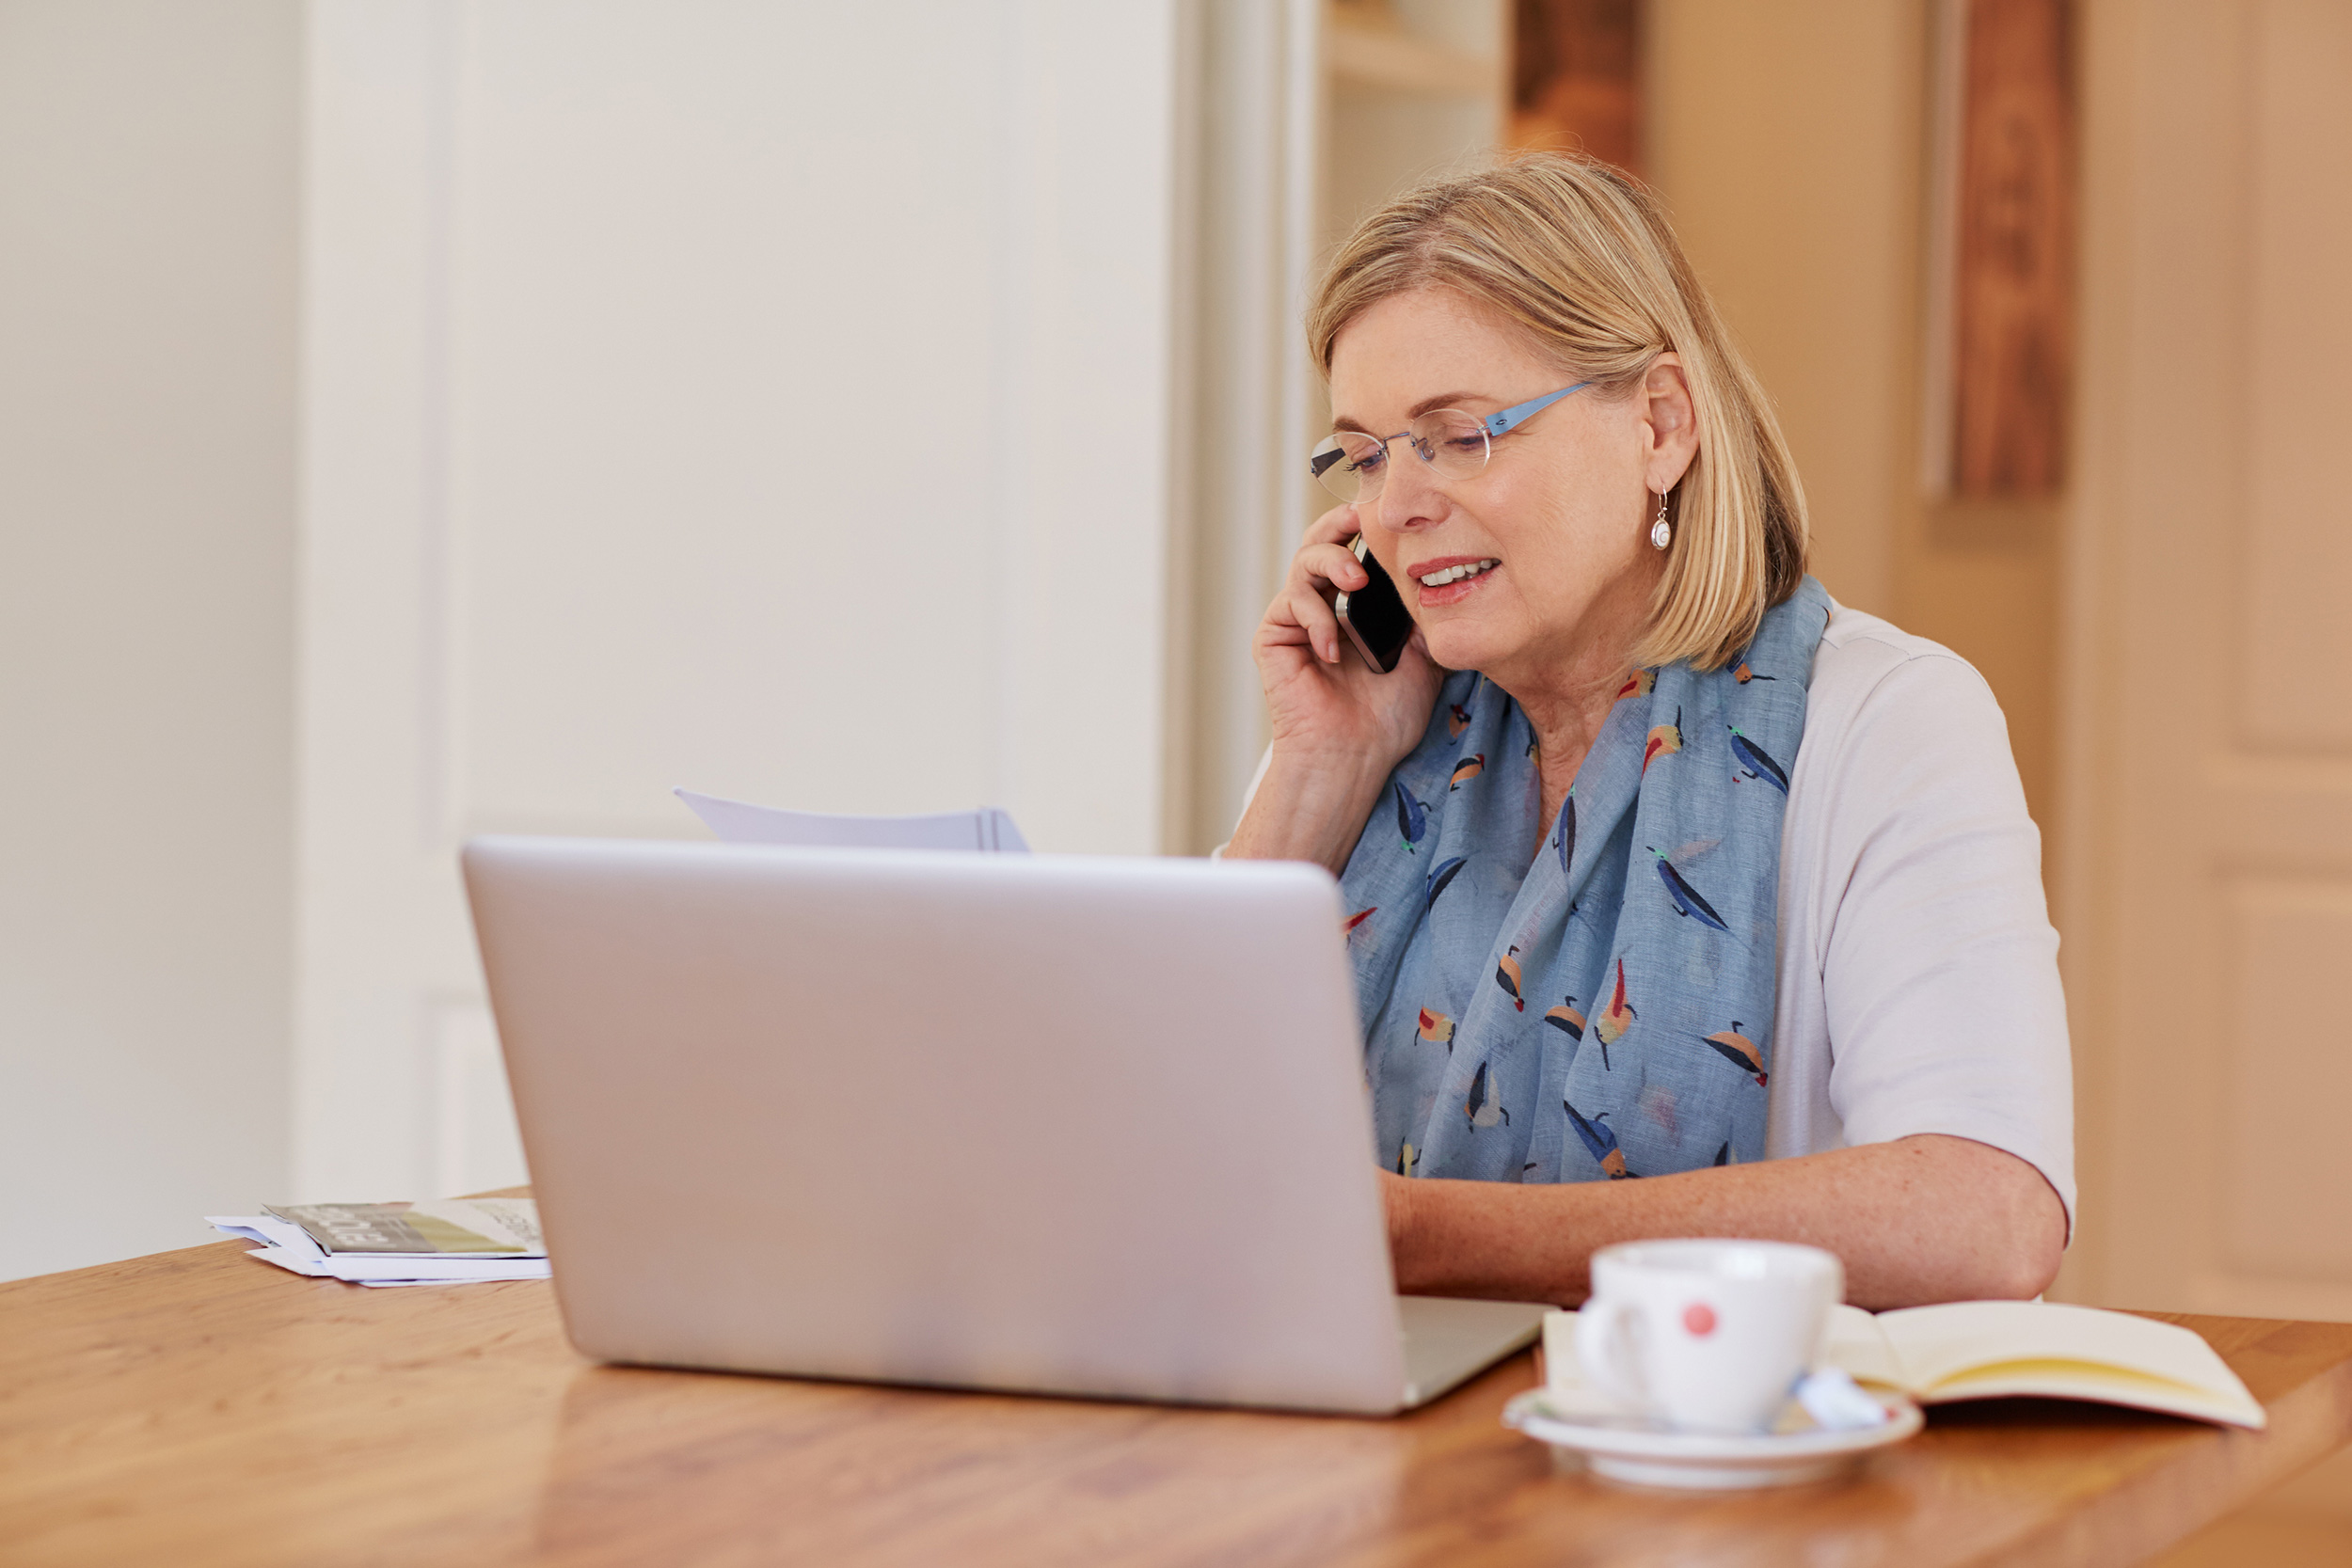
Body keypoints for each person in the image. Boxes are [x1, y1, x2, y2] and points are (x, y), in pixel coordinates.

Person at [1224, 154, 2071, 1310]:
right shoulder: (1377, 722)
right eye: (1365, 453)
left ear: (1661, 425)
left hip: (1716, 1461)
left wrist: (1423, 1233)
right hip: (1370, 1438)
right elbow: (1158, 1150)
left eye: (1460, 434)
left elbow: (1987, 1215)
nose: (1395, 505)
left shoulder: (1887, 719)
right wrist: (1324, 768)